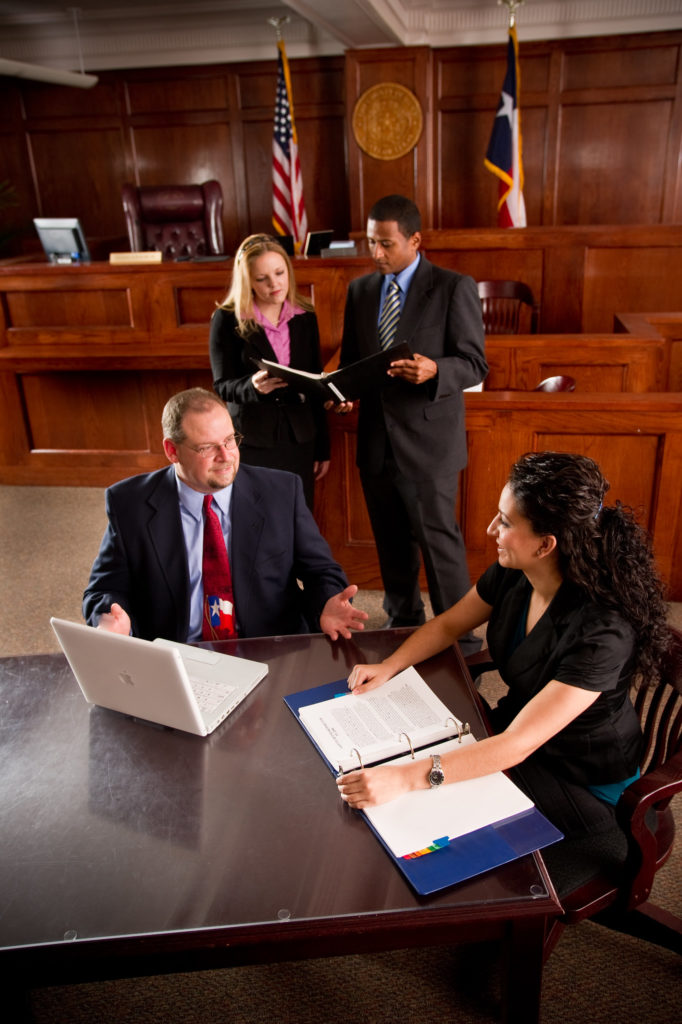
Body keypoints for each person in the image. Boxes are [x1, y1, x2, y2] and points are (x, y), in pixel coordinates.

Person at [337, 451, 670, 841]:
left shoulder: (603, 632)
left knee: (427, 808)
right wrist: (390, 666)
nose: (491, 528)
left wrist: (404, 778)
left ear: (546, 545)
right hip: (518, 731)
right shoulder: (516, 570)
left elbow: (517, 745)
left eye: (506, 522)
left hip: (580, 778)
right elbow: (448, 625)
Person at [83, 388, 367, 643]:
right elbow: (104, 589)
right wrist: (109, 618)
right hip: (176, 652)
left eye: (230, 440)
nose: (226, 456)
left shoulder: (281, 492)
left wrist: (325, 603)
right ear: (172, 451)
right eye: (207, 447)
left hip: (267, 648)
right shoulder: (129, 503)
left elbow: (321, 572)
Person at [336, 195, 488, 649]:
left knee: (439, 545)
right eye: (370, 243)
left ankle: (460, 639)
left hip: (429, 442)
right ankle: (403, 620)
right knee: (391, 541)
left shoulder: (452, 287)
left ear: (415, 240)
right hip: (376, 442)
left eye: (386, 244)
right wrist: (342, 394)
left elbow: (475, 362)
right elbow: (352, 362)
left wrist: (435, 369)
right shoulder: (360, 291)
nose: (376, 253)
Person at [209, 233, 329, 509]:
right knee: (257, 519)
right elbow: (222, 384)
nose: (274, 284)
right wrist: (252, 387)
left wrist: (323, 447)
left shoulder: (305, 316)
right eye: (262, 278)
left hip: (300, 437)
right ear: (247, 280)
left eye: (279, 273)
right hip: (252, 438)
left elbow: (315, 385)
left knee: (298, 517)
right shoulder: (227, 319)